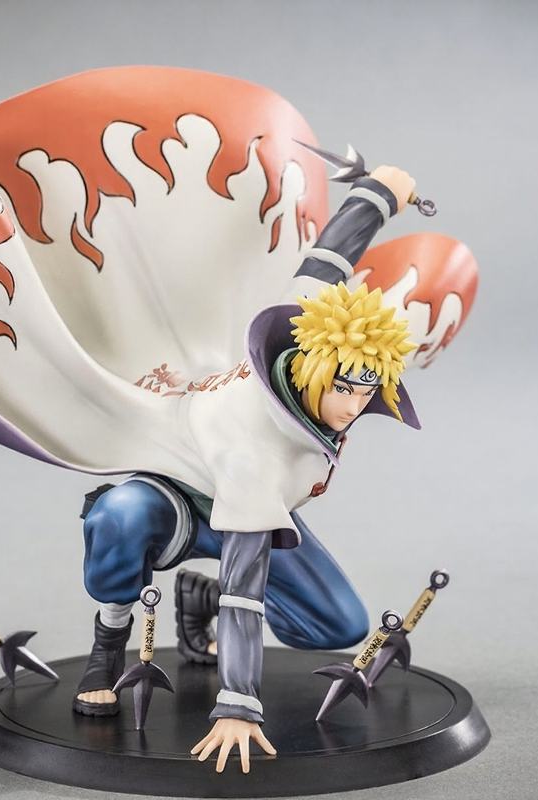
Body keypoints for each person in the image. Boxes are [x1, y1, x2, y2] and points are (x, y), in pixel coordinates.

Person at [73, 166, 420, 773]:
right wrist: (238, 705)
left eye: (365, 393)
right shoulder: (254, 448)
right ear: (312, 371)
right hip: (174, 497)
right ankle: (107, 645)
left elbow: (329, 258)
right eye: (342, 389)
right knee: (118, 515)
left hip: (252, 507)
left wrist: (381, 192)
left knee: (337, 623)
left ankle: (194, 594)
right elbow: (245, 589)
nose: (352, 407)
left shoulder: (315, 325)